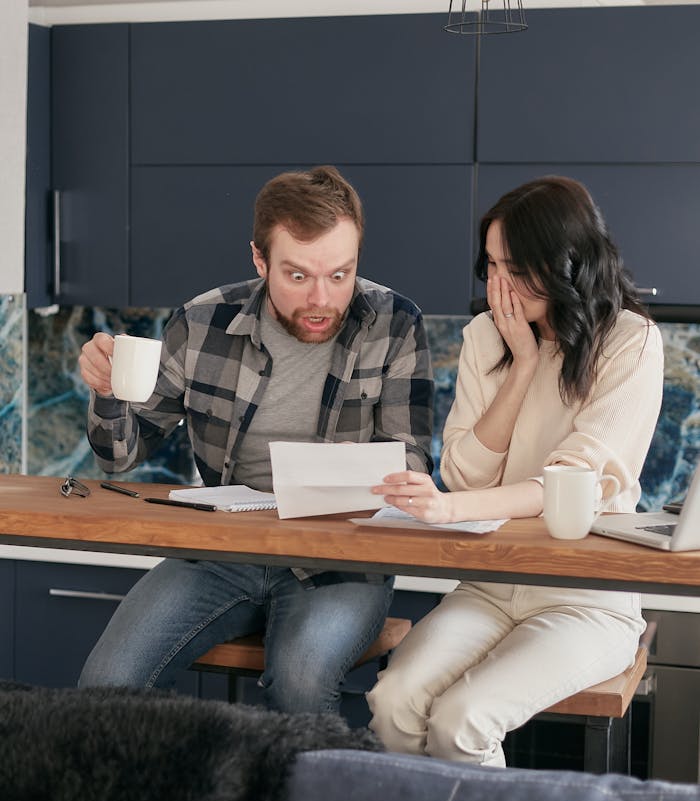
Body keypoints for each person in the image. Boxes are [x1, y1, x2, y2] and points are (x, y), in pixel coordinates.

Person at [77, 165, 434, 713]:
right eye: (297, 276)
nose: (321, 298)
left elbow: (411, 458)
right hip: (224, 549)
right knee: (106, 683)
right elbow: (120, 458)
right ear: (259, 259)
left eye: (340, 275)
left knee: (299, 683)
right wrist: (108, 393)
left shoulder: (394, 322)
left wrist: (357, 469)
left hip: (341, 556)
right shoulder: (202, 323)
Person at [367, 175, 664, 766]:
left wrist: (447, 510)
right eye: (492, 265)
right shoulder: (487, 337)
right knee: (393, 703)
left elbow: (568, 486)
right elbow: (467, 475)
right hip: (491, 581)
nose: (498, 284)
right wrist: (522, 363)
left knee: (462, 721)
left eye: (516, 267)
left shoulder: (632, 342)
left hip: (587, 597)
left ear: (566, 264)